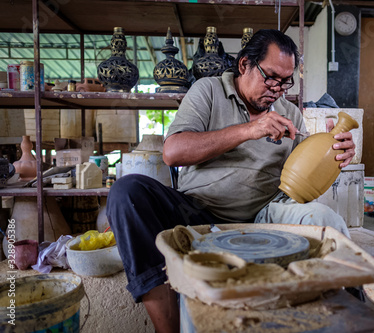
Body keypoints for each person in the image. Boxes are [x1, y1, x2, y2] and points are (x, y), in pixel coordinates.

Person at [107, 29, 355, 333]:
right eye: (271, 77)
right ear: (244, 65)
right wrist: (249, 130)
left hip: (265, 213)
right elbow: (173, 152)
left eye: (286, 81)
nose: (278, 89)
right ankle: (167, 327)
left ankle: (348, 315)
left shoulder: (289, 112)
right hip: (196, 212)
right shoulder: (207, 90)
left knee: (326, 220)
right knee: (127, 192)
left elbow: (302, 181)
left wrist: (334, 156)